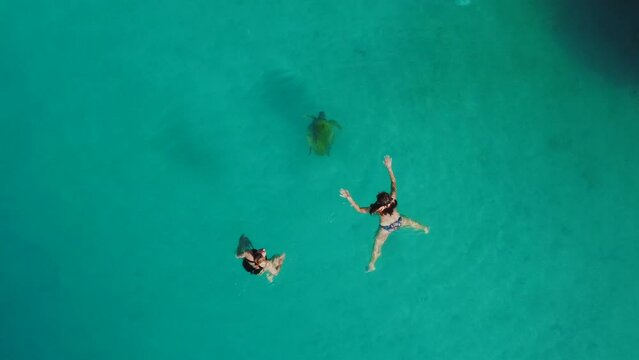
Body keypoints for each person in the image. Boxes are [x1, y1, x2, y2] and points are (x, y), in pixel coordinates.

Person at [340, 155, 429, 272]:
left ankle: (372, 264)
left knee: (377, 246)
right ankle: (425, 229)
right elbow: (393, 182)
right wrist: (389, 167)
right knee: (413, 223)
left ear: (379, 202)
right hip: (399, 221)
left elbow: (359, 210)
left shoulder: (378, 210)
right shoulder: (393, 199)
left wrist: (349, 197)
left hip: (386, 229)